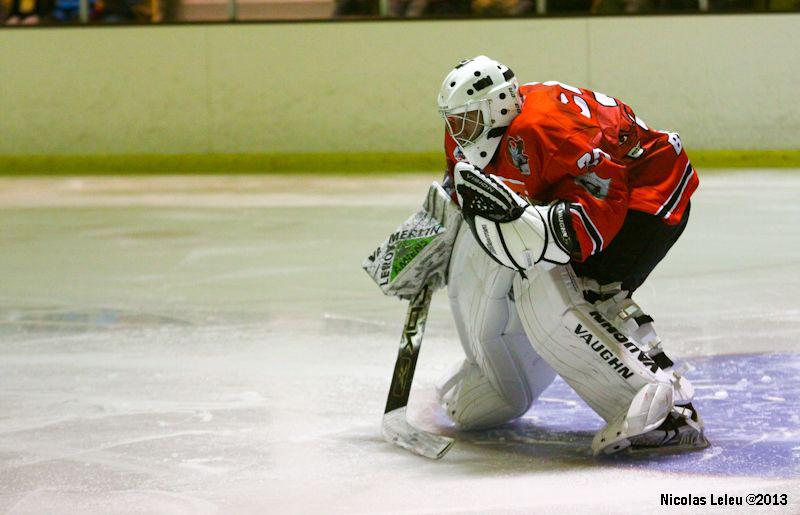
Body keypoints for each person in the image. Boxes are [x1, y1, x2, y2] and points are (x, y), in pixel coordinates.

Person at [435, 55, 707, 455]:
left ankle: (668, 411)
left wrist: (550, 233)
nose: (458, 132)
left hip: (649, 192)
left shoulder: (549, 129)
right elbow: (462, 190)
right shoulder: (472, 134)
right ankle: (497, 373)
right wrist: (430, 235)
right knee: (525, 264)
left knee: (586, 290)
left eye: (467, 120)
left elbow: (606, 196)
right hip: (597, 191)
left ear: (499, 106)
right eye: (453, 120)